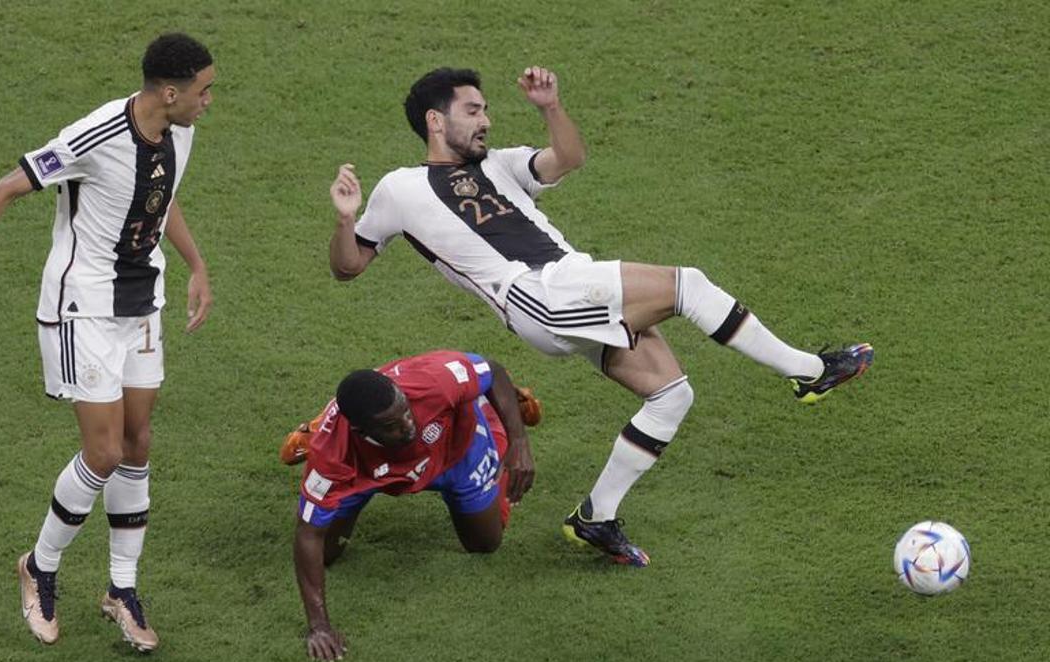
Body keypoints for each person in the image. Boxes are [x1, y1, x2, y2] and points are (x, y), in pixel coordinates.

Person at [327, 67, 873, 568]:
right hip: (539, 293)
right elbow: (349, 267)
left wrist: (550, 107)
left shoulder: (500, 165)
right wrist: (346, 220)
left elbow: (567, 158)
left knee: (671, 394)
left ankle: (596, 517)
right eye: (472, 110)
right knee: (689, 285)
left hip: (566, 285)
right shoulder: (399, 188)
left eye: (485, 109)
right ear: (434, 120)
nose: (486, 120)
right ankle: (808, 371)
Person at [0, 33, 216, 651]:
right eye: (205, 90)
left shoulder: (180, 131)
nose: (211, 101)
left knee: (137, 441)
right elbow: (6, 187)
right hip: (84, 311)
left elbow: (163, 197)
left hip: (141, 303)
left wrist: (197, 265)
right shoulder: (94, 137)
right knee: (102, 453)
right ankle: (39, 566)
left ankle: (121, 590)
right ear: (171, 91)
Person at [293, 350, 535, 662]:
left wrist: (519, 441)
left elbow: (492, 369)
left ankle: (488, 415)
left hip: (454, 453)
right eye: (392, 424)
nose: (409, 426)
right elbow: (307, 534)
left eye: (405, 411)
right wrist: (319, 626)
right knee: (326, 553)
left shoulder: (433, 382)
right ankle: (313, 431)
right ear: (361, 431)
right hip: (366, 474)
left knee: (485, 543)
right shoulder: (332, 458)